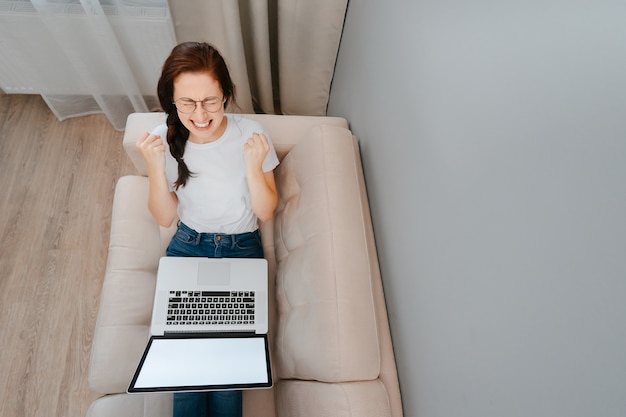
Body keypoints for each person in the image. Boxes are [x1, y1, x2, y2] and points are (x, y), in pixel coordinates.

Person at [136, 41, 279, 417]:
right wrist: (153, 167)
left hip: (242, 248)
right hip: (188, 246)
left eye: (210, 101)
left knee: (227, 371)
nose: (200, 114)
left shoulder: (251, 134)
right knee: (186, 367)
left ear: (226, 96)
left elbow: (265, 211)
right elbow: (165, 218)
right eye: (187, 102)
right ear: (172, 101)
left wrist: (252, 167)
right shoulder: (163, 138)